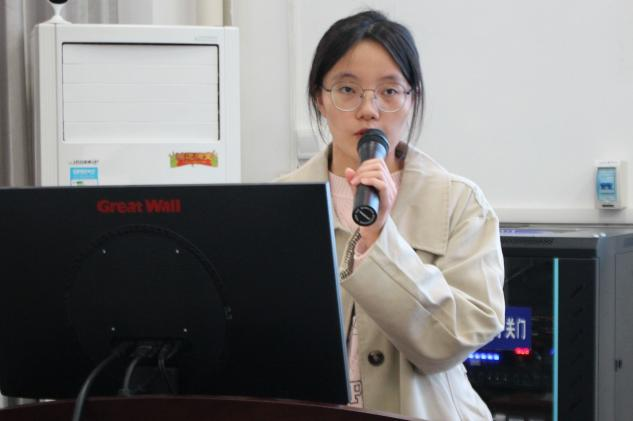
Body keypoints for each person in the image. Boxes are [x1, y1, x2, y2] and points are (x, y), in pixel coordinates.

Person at [279, 10, 505, 421]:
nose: (369, 109)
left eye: (389, 91)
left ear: (411, 99)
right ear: (319, 99)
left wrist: (382, 235)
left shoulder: (459, 202)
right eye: (347, 89)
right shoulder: (280, 202)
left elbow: (455, 338)